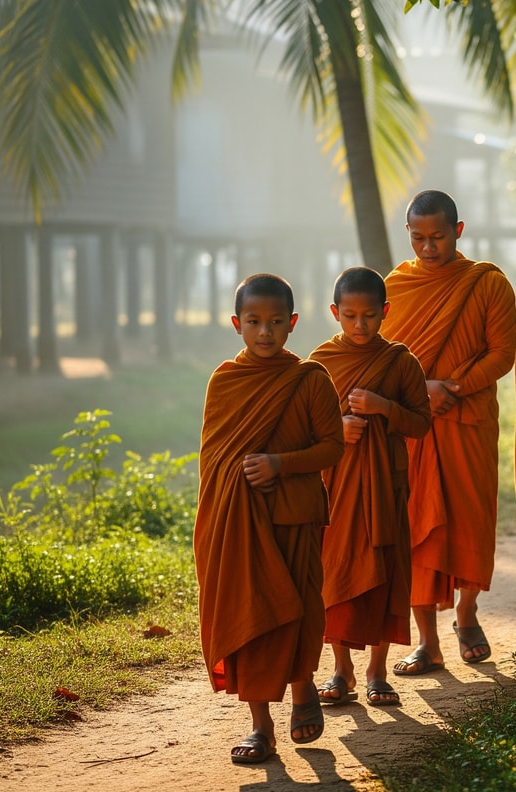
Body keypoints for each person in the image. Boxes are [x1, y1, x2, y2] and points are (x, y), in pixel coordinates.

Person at [195, 273, 345, 764]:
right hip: (237, 519)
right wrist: (230, 493)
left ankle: (302, 689)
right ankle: (260, 725)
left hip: (293, 517)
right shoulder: (225, 380)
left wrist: (280, 464)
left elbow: (331, 447)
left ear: (293, 323)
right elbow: (214, 459)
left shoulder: (309, 378)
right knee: (251, 615)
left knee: (297, 608)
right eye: (255, 322)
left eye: (276, 322)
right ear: (237, 324)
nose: (265, 332)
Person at [381, 190, 516, 676]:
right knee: (413, 525)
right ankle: (427, 641)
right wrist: (422, 390)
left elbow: (503, 353)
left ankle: (466, 612)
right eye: (418, 238)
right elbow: (385, 357)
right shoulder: (396, 286)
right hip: (413, 425)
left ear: (458, 231)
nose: (428, 247)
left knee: (468, 516)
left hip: (465, 419)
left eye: (437, 237)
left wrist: (452, 387)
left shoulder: (487, 283)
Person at [308, 267, 432, 709]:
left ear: (385, 312)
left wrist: (384, 408)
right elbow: (302, 426)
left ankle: (377, 673)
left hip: (385, 485)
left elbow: (421, 422)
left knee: (384, 571)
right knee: (336, 573)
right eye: (350, 315)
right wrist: (336, 430)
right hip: (335, 484)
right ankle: (341, 671)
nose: (360, 326)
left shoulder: (400, 360)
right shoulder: (319, 361)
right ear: (335, 313)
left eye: (369, 316)